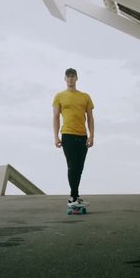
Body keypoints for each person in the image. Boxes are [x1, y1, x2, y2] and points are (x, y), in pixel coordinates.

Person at [52, 68, 94, 206]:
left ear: (77, 78)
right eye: (68, 76)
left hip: (82, 136)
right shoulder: (59, 96)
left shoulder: (85, 96)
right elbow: (56, 117)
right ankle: (73, 197)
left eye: (73, 76)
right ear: (65, 79)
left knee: (79, 168)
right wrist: (56, 137)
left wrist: (91, 135)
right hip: (68, 135)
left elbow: (90, 117)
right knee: (72, 166)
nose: (70, 79)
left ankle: (74, 196)